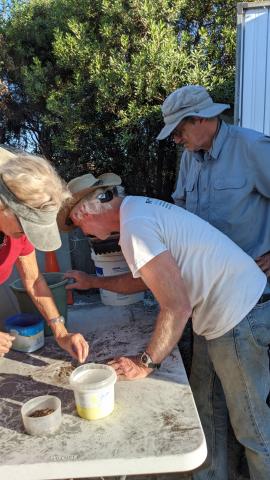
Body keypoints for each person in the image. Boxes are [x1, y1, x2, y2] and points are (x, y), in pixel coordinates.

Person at [59, 173, 270, 480]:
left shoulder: (135, 227)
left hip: (238, 316)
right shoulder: (138, 211)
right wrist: (92, 281)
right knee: (207, 407)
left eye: (80, 226)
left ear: (84, 212)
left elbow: (176, 306)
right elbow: (144, 280)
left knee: (253, 427)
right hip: (224, 315)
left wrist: (146, 363)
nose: (86, 232)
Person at [156, 84, 270, 478]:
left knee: (252, 421)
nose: (176, 138)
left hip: (246, 307)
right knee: (207, 401)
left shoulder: (251, 148)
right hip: (205, 302)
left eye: (179, 129)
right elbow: (181, 219)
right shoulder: (191, 157)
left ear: (203, 119)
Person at [0, 146, 89, 363]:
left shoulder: (17, 233)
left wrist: (60, 331)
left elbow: (33, 281)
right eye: (25, 226)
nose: (25, 235)